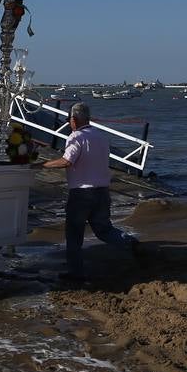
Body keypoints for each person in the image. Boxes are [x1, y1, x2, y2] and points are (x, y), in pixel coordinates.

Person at [41, 102, 142, 282]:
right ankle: (130, 243)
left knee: (74, 234)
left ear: (73, 119)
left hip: (81, 193)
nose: (69, 122)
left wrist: (42, 164)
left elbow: (67, 161)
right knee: (104, 229)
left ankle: (76, 273)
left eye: (69, 119)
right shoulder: (101, 137)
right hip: (102, 191)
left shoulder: (76, 137)